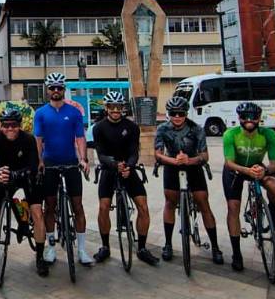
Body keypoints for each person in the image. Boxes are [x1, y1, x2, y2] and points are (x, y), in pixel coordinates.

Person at [0, 107, 48, 276]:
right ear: (1, 125)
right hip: (4, 177)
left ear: (20, 125)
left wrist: (15, 174)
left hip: (26, 177)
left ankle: (40, 257)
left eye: (14, 125)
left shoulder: (28, 139)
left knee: (37, 213)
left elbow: (33, 166)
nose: (10, 128)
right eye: (6, 125)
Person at [92, 92, 158, 266]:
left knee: (143, 207)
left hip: (128, 168)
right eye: (111, 107)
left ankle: (142, 248)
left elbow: (133, 151)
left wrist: (128, 166)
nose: (115, 110)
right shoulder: (98, 128)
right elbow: (100, 153)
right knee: (103, 207)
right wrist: (114, 165)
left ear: (123, 108)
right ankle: (105, 246)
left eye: (118, 107)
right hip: (108, 169)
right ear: (106, 108)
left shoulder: (132, 127)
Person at [155, 96, 223, 264]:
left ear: (186, 113)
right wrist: (173, 161)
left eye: (181, 113)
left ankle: (215, 247)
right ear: (168, 114)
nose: (177, 116)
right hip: (172, 165)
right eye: (173, 113)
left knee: (203, 202)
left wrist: (189, 161)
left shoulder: (196, 129)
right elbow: (158, 153)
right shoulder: (163, 129)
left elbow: (205, 155)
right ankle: (168, 244)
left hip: (193, 166)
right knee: (170, 203)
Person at [35, 73, 94, 265]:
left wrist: (83, 159)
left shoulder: (74, 112)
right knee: (50, 206)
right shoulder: (41, 113)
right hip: (49, 163)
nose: (56, 91)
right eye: (52, 87)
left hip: (70, 162)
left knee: (77, 206)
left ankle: (82, 250)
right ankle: (51, 248)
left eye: (59, 87)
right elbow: (38, 139)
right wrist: (39, 161)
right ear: (48, 89)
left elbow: (80, 137)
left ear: (64, 89)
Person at [222, 102, 275, 272]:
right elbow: (230, 162)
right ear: (239, 118)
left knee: (274, 184)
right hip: (235, 170)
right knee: (233, 208)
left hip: (257, 167)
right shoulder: (230, 134)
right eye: (245, 117)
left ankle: (272, 210)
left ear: (259, 119)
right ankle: (236, 254)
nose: (249, 120)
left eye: (253, 117)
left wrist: (264, 170)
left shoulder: (268, 134)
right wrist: (247, 171)